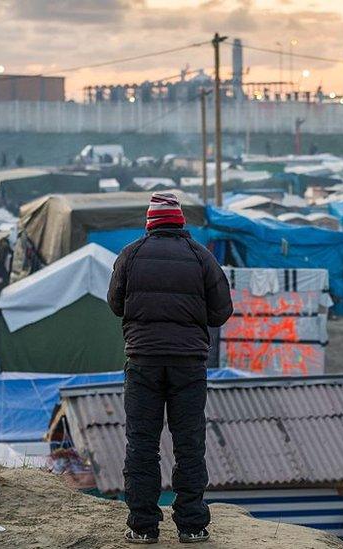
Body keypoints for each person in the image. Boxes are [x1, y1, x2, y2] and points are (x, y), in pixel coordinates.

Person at [108, 191, 233, 544]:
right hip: (188, 366)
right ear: (180, 222)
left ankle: (142, 527)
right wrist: (193, 320)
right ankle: (192, 525)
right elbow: (222, 310)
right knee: (189, 445)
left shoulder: (130, 255)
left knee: (142, 445)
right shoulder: (201, 257)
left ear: (150, 223)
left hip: (143, 362)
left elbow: (116, 304)